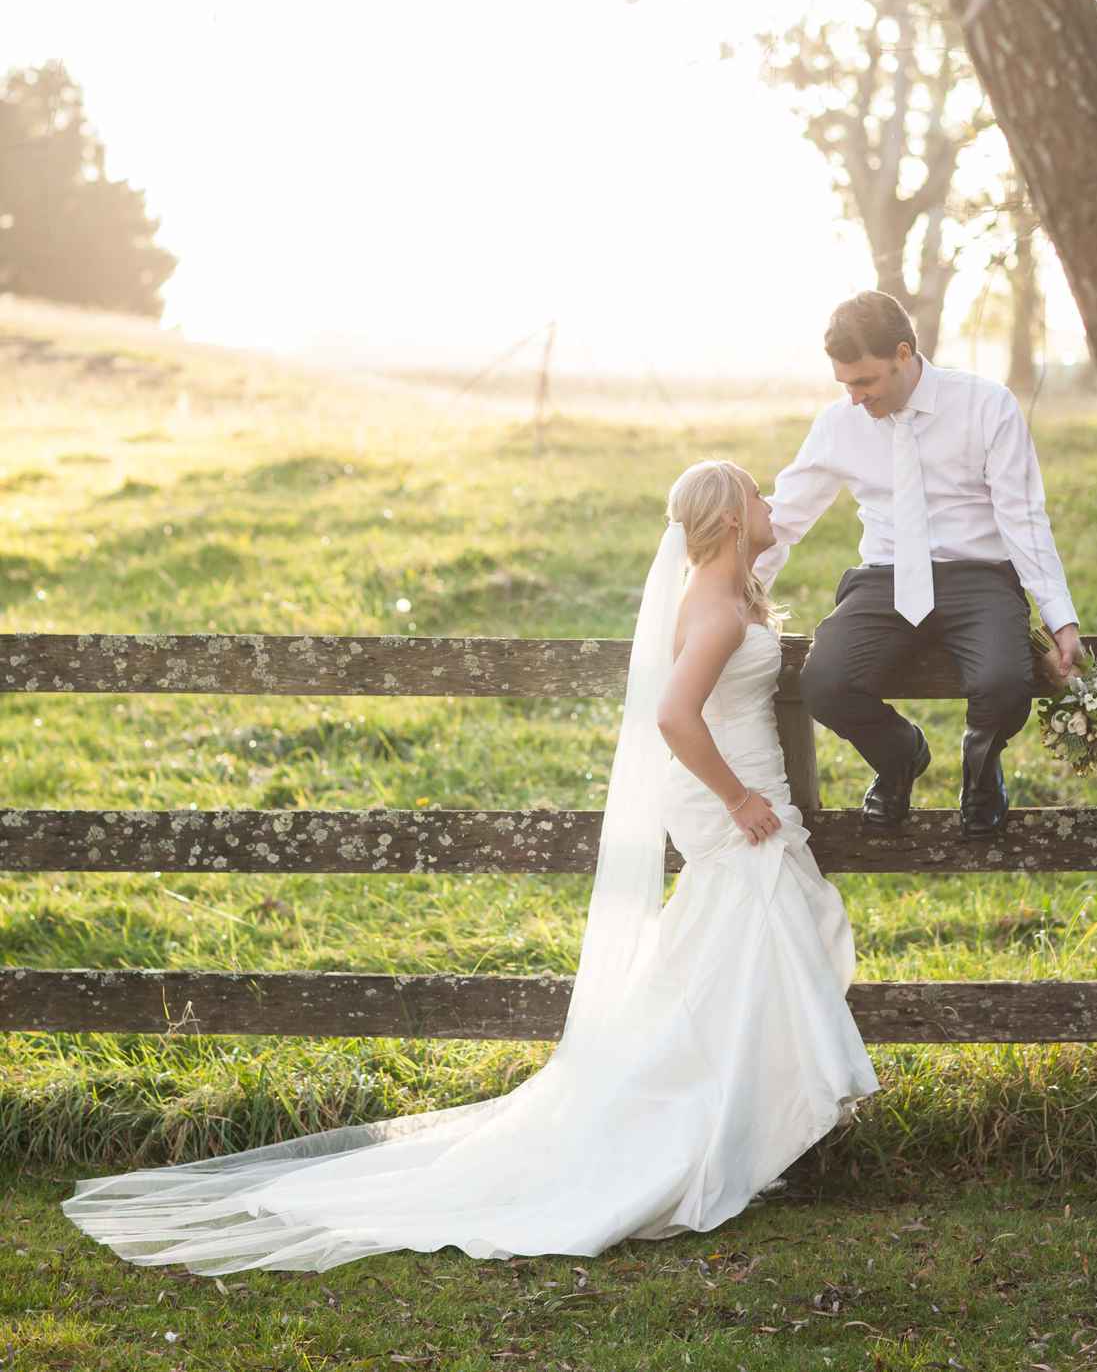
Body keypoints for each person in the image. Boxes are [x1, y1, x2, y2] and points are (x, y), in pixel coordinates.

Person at [60, 460, 879, 1276]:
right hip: (728, 795)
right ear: (732, 518)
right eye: (758, 496)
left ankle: (730, 1120)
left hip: (743, 788)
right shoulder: (715, 607)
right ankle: (694, 1126)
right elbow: (673, 714)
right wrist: (737, 799)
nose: (774, 505)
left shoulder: (727, 589)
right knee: (745, 940)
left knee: (737, 953)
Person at [754, 291, 1085, 837]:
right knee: (824, 682)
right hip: (882, 580)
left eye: (866, 382)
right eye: (845, 385)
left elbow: (1023, 518)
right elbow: (782, 520)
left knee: (1006, 682)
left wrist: (1060, 617)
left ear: (904, 354)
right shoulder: (839, 424)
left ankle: (981, 769)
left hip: (977, 576)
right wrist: (736, 594)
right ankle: (899, 756)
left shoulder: (986, 405)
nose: (856, 398)